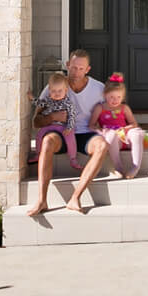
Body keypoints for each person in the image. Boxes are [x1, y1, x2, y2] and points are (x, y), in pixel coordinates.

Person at [26, 50, 107, 216]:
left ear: (87, 69)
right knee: (48, 141)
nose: (76, 72)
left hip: (85, 134)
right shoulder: (54, 87)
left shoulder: (99, 89)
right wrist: (52, 117)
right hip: (61, 132)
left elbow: (111, 116)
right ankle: (42, 200)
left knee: (102, 145)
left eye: (80, 68)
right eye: (73, 67)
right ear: (67, 65)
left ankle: (75, 198)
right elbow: (36, 122)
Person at [63, 74, 145, 213]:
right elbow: (91, 125)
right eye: (112, 97)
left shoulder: (124, 108)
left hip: (124, 135)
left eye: (118, 97)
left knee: (137, 133)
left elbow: (133, 123)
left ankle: (135, 166)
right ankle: (118, 167)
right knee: (111, 135)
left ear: (123, 98)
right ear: (105, 95)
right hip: (113, 138)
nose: (115, 101)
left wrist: (126, 128)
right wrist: (101, 131)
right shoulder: (100, 108)